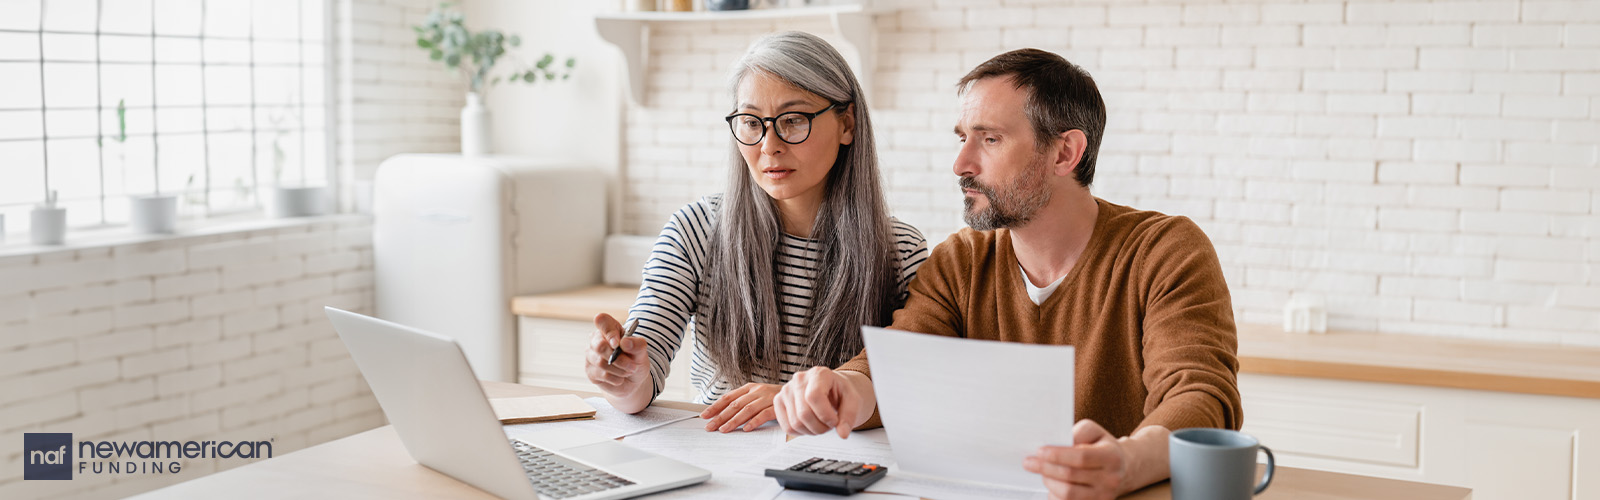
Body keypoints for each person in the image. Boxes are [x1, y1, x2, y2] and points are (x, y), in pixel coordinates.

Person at [771, 48, 1243, 500]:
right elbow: (900, 364)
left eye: (990, 139)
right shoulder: (961, 259)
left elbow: (1201, 397)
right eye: (962, 138)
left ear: (1064, 153)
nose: (961, 164)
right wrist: (841, 389)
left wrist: (1125, 462)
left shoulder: (1164, 251)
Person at [582, 31, 929, 434]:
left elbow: (910, 388)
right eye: (751, 123)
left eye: (794, 121)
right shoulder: (697, 229)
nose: (769, 146)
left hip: (840, 464)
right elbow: (641, 379)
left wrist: (790, 403)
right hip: (725, 457)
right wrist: (622, 374)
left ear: (847, 123)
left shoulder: (900, 250)